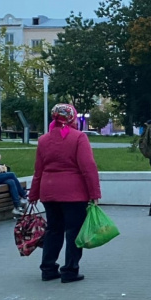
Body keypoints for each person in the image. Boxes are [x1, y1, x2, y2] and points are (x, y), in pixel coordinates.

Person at [28, 104, 101, 283]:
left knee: (53, 230)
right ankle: (70, 270)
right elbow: (88, 167)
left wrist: (33, 194)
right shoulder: (79, 137)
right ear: (71, 117)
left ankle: (48, 268)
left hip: (48, 191)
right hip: (74, 193)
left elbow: (38, 170)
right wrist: (94, 193)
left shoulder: (43, 139)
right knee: (74, 231)